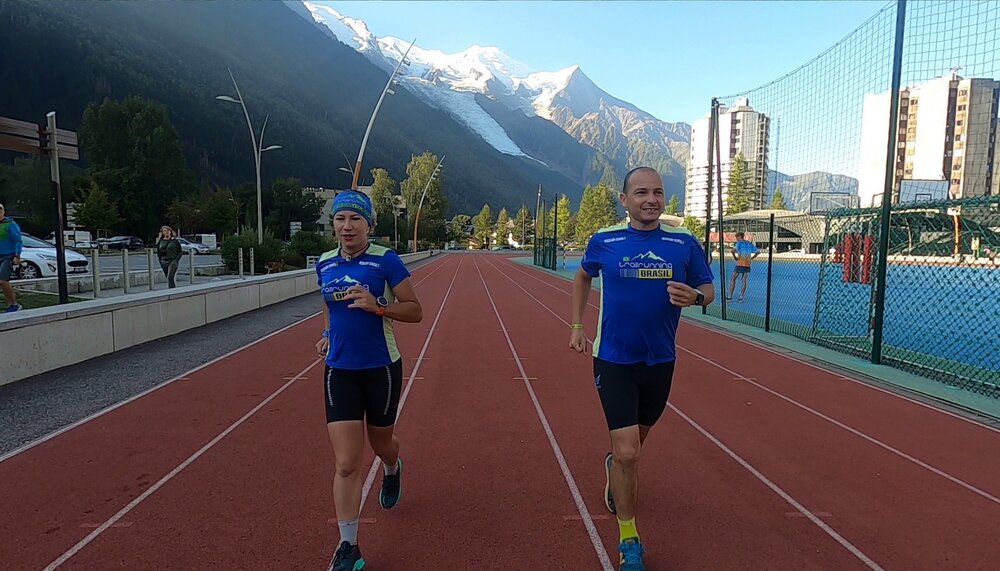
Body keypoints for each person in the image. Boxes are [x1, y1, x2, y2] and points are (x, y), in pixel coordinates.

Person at [568, 167, 715, 571]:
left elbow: (708, 289)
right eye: (641, 193)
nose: (651, 199)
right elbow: (582, 276)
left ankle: (615, 468)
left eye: (657, 192)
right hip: (614, 359)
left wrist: (695, 297)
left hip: (661, 361)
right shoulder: (605, 240)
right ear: (624, 199)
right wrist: (577, 325)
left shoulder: (683, 242)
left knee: (635, 447)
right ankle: (629, 538)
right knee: (629, 451)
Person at [315, 190, 423, 571]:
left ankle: (392, 468)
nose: (347, 227)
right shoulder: (324, 263)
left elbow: (415, 311)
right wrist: (327, 335)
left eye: (355, 219)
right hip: (339, 370)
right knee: (346, 462)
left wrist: (378, 307)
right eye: (340, 219)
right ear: (333, 225)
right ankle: (349, 546)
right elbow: (328, 306)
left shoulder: (385, 260)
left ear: (369, 225)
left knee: (381, 444)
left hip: (380, 369)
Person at [0, 203, 24, 313]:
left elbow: (17, 241)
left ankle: (14, 304)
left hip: (7, 256)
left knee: (3, 280)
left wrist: (17, 255)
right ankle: (10, 304)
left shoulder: (10, 224)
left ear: (4, 212)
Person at [727, 231, 759, 302]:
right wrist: (752, 258)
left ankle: (730, 296)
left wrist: (735, 257)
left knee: (733, 278)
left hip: (740, 263)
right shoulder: (749, 243)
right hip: (747, 263)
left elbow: (732, 251)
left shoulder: (739, 243)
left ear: (739, 237)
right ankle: (741, 297)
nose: (736, 239)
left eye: (737, 237)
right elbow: (758, 252)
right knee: (744, 280)